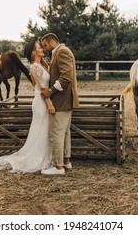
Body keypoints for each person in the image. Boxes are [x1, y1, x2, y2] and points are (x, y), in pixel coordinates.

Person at [0, 37, 59, 173]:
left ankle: (44, 156)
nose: (42, 48)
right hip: (41, 102)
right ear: (33, 53)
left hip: (42, 101)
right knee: (40, 130)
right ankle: (37, 158)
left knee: (43, 130)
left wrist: (42, 61)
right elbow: (42, 88)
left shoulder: (40, 64)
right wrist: (50, 105)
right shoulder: (35, 67)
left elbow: (48, 76)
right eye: (39, 48)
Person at [40, 33, 79, 176]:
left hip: (62, 100)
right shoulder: (59, 53)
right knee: (65, 132)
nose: (44, 49)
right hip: (66, 100)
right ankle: (67, 162)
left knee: (56, 133)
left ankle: (58, 167)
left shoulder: (62, 52)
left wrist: (50, 92)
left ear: (52, 42)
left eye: (45, 45)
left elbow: (66, 77)